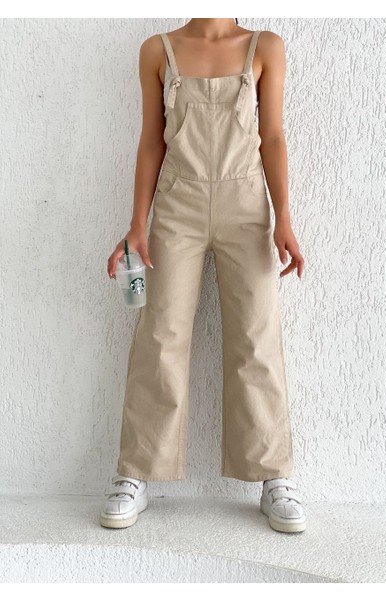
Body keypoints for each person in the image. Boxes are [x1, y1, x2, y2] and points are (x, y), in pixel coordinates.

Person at [101, 19, 306, 534]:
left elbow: (272, 136)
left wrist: (284, 218)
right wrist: (137, 224)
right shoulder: (157, 50)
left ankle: (274, 476)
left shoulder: (266, 47)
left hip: (246, 203)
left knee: (256, 336)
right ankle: (135, 472)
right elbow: (152, 141)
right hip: (178, 203)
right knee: (160, 334)